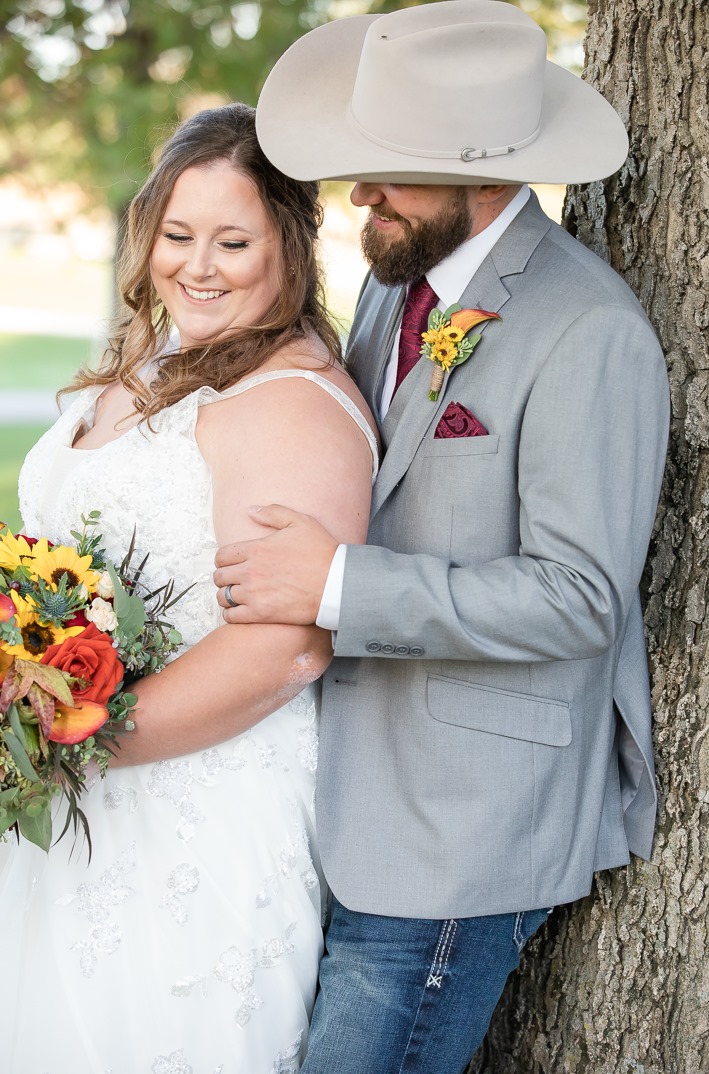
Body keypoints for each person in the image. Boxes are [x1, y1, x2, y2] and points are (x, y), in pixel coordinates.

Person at [212, 3, 671, 1071]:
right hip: (346, 799)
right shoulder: (397, 285)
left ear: (492, 173)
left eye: (391, 169)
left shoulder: (586, 328)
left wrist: (335, 586)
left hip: (464, 830)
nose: (360, 192)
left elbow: (577, 596)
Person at [1, 102, 377, 1072]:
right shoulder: (161, 360)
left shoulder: (289, 402)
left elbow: (286, 646)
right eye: (176, 235)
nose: (196, 266)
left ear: (288, 246)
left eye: (232, 241)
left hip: (191, 821)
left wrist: (67, 742)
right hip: (71, 807)